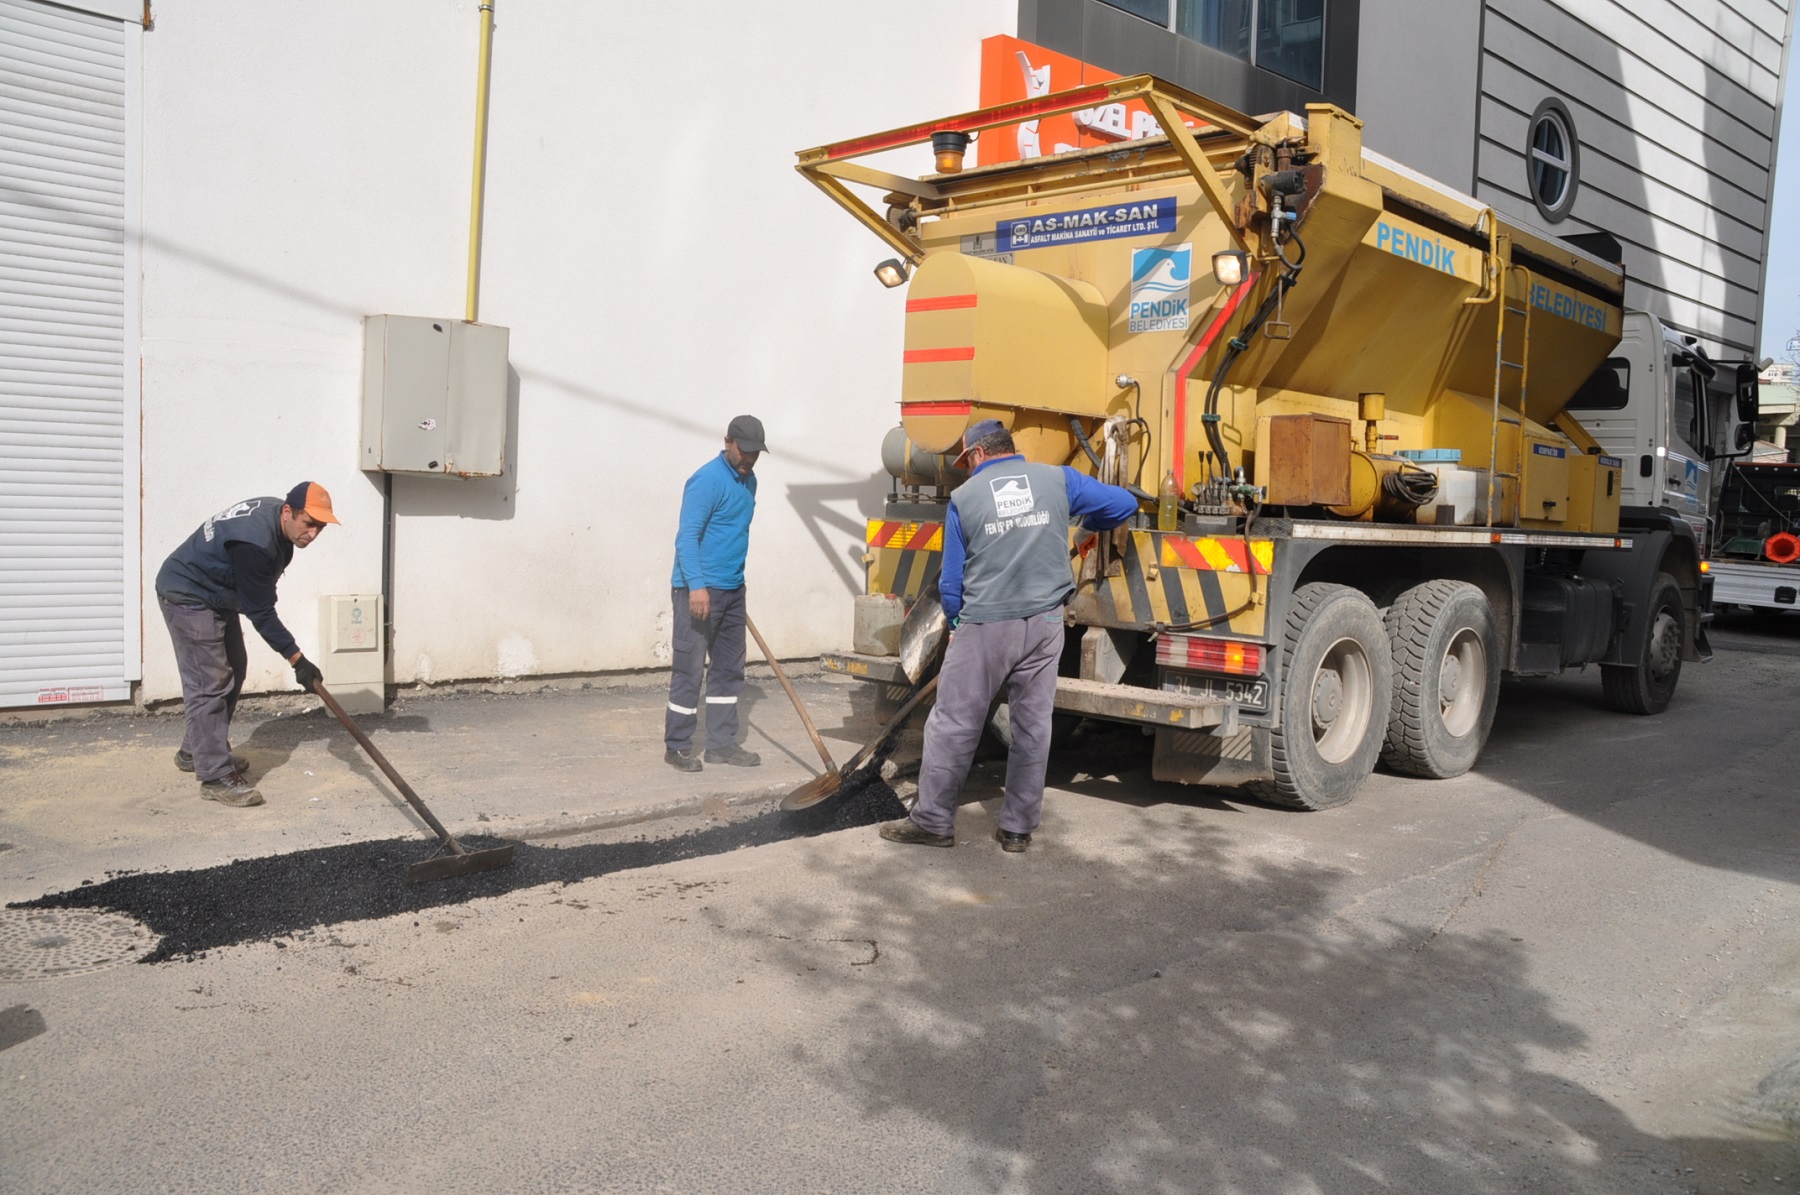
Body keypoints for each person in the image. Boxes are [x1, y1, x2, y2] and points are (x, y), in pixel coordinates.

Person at [880, 419, 1138, 852]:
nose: (965, 471)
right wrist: (1083, 527)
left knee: (954, 724)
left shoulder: (965, 498)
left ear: (979, 453)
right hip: (1046, 624)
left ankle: (933, 821)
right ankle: (1018, 830)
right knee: (1033, 727)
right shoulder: (1058, 479)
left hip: (986, 625)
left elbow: (950, 584)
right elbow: (1123, 504)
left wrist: (959, 626)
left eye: (966, 461)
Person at [154, 483, 338, 807]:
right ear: (288, 511)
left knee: (235, 669)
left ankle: (195, 752)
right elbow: (262, 613)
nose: (312, 533)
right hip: (188, 594)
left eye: (319, 527)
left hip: (216, 594)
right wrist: (298, 660)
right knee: (210, 681)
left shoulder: (277, 529)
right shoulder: (257, 542)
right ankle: (214, 776)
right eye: (308, 523)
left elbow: (259, 594)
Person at [665, 415, 769, 772]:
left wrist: (734, 585)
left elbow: (735, 535)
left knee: (728, 670)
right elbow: (686, 538)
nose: (750, 459)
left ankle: (721, 745)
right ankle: (677, 746)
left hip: (732, 591)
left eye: (756, 453)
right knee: (689, 670)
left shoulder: (749, 482)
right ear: (727, 441)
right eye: (745, 450)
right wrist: (697, 586)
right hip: (698, 591)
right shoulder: (707, 480)